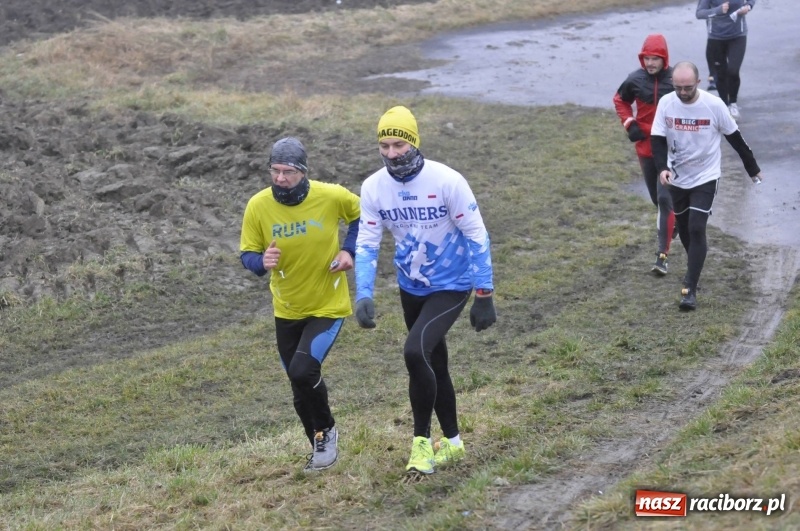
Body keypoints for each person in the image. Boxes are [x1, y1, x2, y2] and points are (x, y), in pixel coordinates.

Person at [354, 105, 497, 474]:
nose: (391, 154)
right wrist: (364, 293)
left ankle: (421, 446)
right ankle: (452, 443)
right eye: (384, 146)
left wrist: (484, 293)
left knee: (415, 353)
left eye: (398, 145)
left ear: (414, 142)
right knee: (434, 362)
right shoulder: (373, 187)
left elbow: (477, 235)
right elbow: (368, 244)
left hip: (452, 285)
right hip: (410, 286)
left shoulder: (446, 181)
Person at [239, 137, 361, 471]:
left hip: (327, 306)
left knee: (303, 370)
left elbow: (363, 217)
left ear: (303, 172)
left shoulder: (331, 195)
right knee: (299, 386)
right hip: (287, 309)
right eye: (275, 171)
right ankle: (320, 449)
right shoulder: (258, 206)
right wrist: (261, 261)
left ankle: (328, 431)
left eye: (288, 171)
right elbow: (247, 254)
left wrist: (349, 251)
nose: (280, 178)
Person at [650, 62, 763, 310]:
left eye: (687, 88)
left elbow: (736, 137)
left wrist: (752, 168)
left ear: (698, 83)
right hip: (677, 177)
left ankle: (689, 288)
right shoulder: (667, 103)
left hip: (706, 176)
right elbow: (657, 139)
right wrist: (662, 168)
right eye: (677, 87)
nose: (682, 93)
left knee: (697, 227)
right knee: (686, 231)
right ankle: (695, 268)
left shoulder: (713, 106)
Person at [613, 33, 677, 275]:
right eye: (646, 58)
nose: (650, 63)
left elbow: (692, 104)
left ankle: (662, 256)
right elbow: (620, 100)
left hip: (671, 151)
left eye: (655, 59)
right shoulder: (635, 79)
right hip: (645, 147)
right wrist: (630, 122)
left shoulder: (675, 79)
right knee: (657, 200)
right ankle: (676, 224)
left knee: (664, 199)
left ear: (664, 59)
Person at [696, 0, 756, 120]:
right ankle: (725, 105)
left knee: (733, 71)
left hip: (738, 36)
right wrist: (717, 10)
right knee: (721, 73)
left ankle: (733, 103)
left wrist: (748, 6)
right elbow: (699, 13)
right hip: (716, 38)